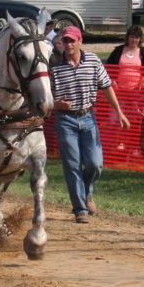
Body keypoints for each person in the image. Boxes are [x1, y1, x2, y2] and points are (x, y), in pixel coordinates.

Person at [50, 25, 129, 222]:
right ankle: (80, 209)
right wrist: (56, 104)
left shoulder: (93, 61)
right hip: (65, 119)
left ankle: (87, 193)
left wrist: (119, 112)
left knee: (95, 164)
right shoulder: (54, 65)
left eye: (72, 40)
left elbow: (107, 86)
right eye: (65, 41)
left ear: (80, 41)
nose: (68, 44)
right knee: (73, 165)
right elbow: (43, 96)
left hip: (88, 117)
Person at [106, 24, 144, 165]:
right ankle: (120, 142)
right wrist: (113, 80)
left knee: (136, 120)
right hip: (119, 91)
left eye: (137, 38)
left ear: (140, 39)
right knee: (116, 118)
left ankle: (134, 146)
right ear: (127, 38)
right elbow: (108, 68)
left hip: (137, 92)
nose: (134, 40)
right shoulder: (118, 51)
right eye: (132, 37)